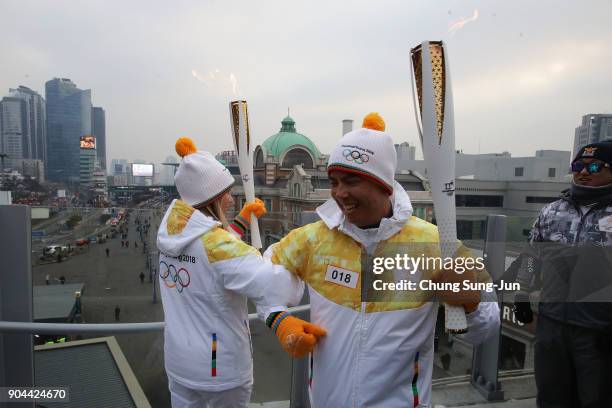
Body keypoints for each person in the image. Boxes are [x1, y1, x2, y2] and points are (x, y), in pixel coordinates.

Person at [263, 113, 500, 407]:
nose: (339, 193)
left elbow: (485, 330)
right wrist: (278, 319)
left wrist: (472, 303)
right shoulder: (313, 239)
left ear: (384, 186)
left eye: (351, 181)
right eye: (334, 181)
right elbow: (260, 278)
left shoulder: (435, 246)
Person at [157, 137, 325, 408]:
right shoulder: (220, 247)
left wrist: (243, 220)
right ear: (210, 198)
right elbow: (275, 287)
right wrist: (280, 252)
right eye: (224, 192)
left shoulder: (171, 232)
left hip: (179, 361)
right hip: (218, 367)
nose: (228, 199)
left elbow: (208, 259)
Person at [518, 141, 612, 407]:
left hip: (599, 331)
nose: (584, 172)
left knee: (597, 399)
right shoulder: (553, 211)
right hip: (552, 325)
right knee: (551, 396)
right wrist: (522, 295)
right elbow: (531, 257)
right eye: (578, 166)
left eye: (594, 166)